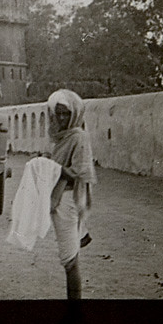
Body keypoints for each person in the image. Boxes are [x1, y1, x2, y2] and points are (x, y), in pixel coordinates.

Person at [44, 88, 97, 303]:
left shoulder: (79, 137)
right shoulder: (60, 136)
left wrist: (50, 167)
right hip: (61, 197)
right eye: (58, 114)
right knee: (70, 258)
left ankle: (74, 312)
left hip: (68, 199)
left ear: (75, 113)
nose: (61, 118)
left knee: (69, 261)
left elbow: (79, 172)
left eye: (65, 114)